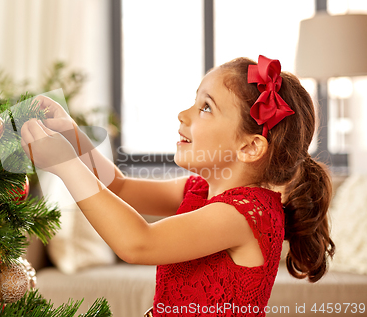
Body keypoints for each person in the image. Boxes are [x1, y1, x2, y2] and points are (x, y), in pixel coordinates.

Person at [20, 55, 335, 316]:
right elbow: (119, 186)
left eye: (206, 107)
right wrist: (73, 136)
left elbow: (138, 243)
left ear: (250, 147)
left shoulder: (246, 215)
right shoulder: (198, 190)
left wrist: (65, 165)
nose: (183, 114)